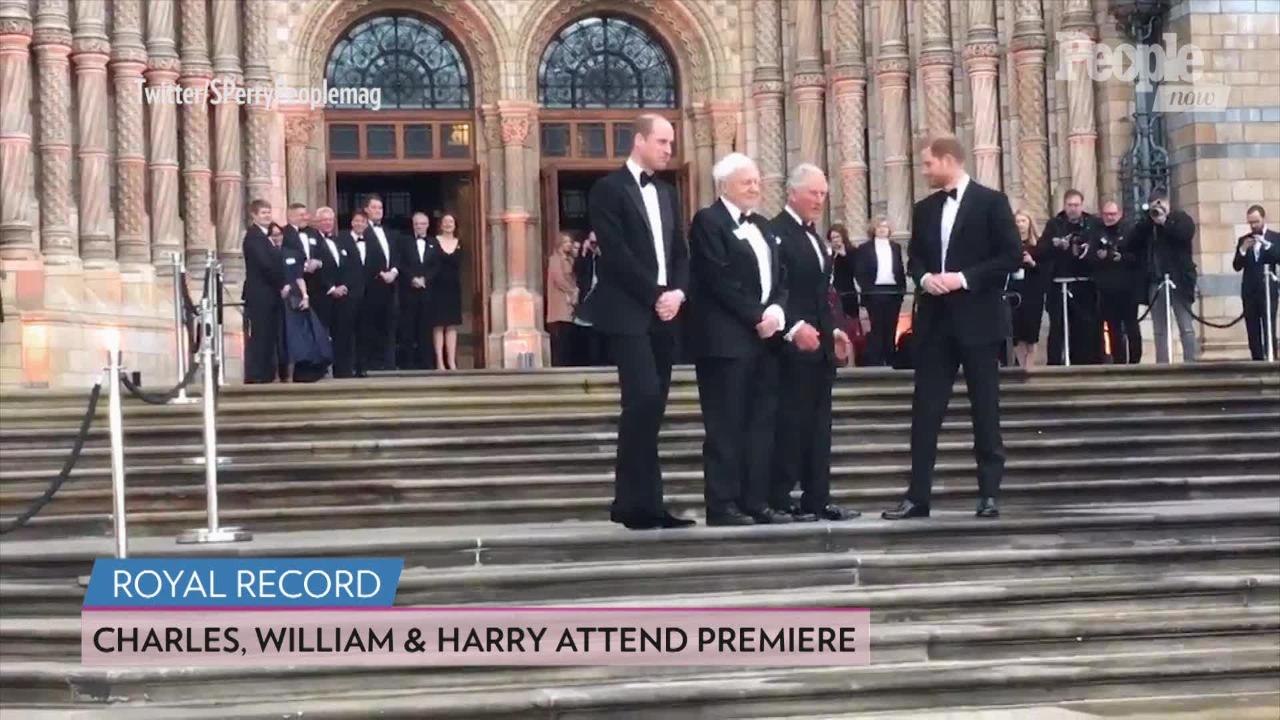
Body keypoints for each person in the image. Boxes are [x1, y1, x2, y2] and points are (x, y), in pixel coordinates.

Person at [882, 136, 1020, 521]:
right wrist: (924, 278)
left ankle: (989, 494)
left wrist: (963, 278)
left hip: (978, 321)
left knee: (985, 411)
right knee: (925, 411)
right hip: (934, 324)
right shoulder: (924, 209)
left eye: (928, 164)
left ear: (947, 160)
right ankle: (917, 496)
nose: (924, 171)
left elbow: (1009, 256)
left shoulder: (992, 202)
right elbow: (916, 259)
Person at [583, 113, 693, 531]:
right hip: (630, 311)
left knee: (654, 407)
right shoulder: (608, 190)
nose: (669, 150)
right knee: (642, 399)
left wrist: (678, 293)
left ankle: (646, 504)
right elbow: (616, 253)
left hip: (666, 313)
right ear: (640, 141)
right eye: (663, 142)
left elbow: (679, 252)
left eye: (671, 143)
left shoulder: (667, 192)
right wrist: (656, 294)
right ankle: (632, 501)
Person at [686, 153, 789, 527]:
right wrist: (756, 316)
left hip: (764, 340)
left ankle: (755, 499)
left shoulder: (762, 224)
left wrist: (776, 312)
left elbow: (779, 276)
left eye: (757, 181)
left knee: (760, 423)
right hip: (725, 342)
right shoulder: (707, 222)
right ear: (724, 185)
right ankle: (722, 503)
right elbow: (717, 279)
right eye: (747, 181)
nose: (755, 187)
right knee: (726, 424)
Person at [768, 163, 858, 522]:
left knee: (821, 427)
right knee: (790, 424)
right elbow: (777, 290)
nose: (820, 200)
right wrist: (792, 328)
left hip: (820, 347)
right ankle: (779, 496)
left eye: (823, 193)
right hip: (792, 347)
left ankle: (817, 497)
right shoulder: (775, 233)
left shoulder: (816, 237)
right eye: (813, 193)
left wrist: (834, 330)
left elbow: (822, 293)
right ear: (792, 193)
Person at [1131, 191, 1199, 363]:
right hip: (1156, 280)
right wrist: (1149, 220)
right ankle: (1162, 364)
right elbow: (1131, 242)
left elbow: (1184, 235)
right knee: (1159, 329)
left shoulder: (1181, 218)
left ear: (1168, 204)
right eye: (1154, 205)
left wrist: (1165, 222)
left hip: (1179, 281)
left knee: (1186, 326)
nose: (1158, 209)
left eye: (1160, 204)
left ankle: (1191, 363)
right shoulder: (1148, 225)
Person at [1038, 189, 1101, 365]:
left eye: (1076, 205)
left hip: (1085, 285)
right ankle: (1056, 366)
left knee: (1085, 329)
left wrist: (1089, 247)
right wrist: (1055, 244)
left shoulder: (1093, 223)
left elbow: (1100, 246)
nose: (1073, 209)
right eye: (1070, 205)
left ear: (1082, 205)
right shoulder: (1054, 224)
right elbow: (1041, 251)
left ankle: (1085, 366)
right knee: (1058, 328)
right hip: (1059, 284)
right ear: (1064, 206)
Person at [1085, 200, 1142, 364]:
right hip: (1106, 288)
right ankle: (1119, 361)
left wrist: (1121, 257)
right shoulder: (1097, 232)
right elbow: (1090, 257)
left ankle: (1135, 361)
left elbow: (1138, 257)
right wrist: (1099, 256)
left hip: (1127, 287)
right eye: (1106, 214)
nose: (1109, 217)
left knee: (1131, 326)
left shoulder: (1130, 231)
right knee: (1113, 328)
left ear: (1120, 214)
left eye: (1113, 214)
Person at [276, 223, 332, 383]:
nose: (277, 237)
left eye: (279, 234)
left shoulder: (291, 253)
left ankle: (303, 372)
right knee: (286, 338)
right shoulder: (271, 254)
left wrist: (305, 296)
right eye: (273, 235)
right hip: (281, 299)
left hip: (296, 297)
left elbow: (299, 276)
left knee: (304, 336)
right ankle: (283, 374)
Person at [241, 199, 288, 384]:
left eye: (269, 212)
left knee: (269, 335)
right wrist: (281, 285)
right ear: (254, 215)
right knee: (260, 335)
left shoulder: (264, 237)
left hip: (270, 295)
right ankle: (257, 375)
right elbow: (266, 265)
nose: (267, 215)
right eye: (263, 213)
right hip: (261, 295)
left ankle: (267, 373)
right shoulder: (253, 237)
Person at [312, 207, 362, 378]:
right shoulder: (313, 242)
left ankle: (343, 370)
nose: (327, 223)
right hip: (323, 296)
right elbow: (316, 269)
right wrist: (331, 288)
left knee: (343, 335)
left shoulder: (340, 241)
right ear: (317, 221)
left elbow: (349, 266)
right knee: (322, 334)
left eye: (330, 220)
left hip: (343, 297)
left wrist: (344, 286)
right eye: (324, 220)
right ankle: (323, 370)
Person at [854, 216, 906, 367]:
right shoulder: (865, 248)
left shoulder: (895, 247)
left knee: (891, 325)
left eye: (885, 226)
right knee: (877, 326)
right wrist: (866, 288)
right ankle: (876, 359)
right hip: (874, 290)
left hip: (893, 291)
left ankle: (890, 357)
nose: (883, 229)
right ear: (874, 229)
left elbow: (899, 268)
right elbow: (860, 270)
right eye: (879, 226)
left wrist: (901, 290)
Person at [359, 194, 400, 372]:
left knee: (389, 325)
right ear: (366, 210)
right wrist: (380, 273)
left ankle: (389, 363)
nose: (378, 211)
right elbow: (361, 258)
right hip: (371, 285)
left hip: (390, 286)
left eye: (380, 208)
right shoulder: (362, 231)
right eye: (374, 207)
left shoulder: (389, 233)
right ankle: (371, 363)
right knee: (370, 325)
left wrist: (393, 272)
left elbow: (397, 255)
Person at [1235, 205, 1280, 360]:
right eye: (1251, 223)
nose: (1254, 226)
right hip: (1249, 292)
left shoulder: (1275, 238)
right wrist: (1242, 250)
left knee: (1269, 325)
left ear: (1263, 219)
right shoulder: (1244, 240)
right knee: (1252, 329)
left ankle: (1272, 358)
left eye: (1256, 222)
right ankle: (1256, 360)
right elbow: (1236, 266)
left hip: (1268, 290)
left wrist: (1266, 245)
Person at [399, 212, 438, 370]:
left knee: (426, 329)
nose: (419, 227)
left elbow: (437, 265)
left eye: (422, 224)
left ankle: (426, 364)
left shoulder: (434, 243)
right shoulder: (405, 242)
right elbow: (400, 263)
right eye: (416, 224)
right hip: (409, 291)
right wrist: (412, 279)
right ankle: (407, 364)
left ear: (428, 225)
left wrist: (425, 279)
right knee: (407, 329)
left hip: (427, 292)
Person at [1008, 210, 1046, 369]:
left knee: (1031, 332)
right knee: (1017, 332)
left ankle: (1029, 367)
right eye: (1017, 221)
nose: (1020, 225)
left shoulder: (1039, 245)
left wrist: (1032, 262)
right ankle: (1021, 365)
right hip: (1015, 290)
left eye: (1023, 221)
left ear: (1029, 223)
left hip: (1032, 291)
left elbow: (1045, 270)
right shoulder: (1009, 244)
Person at [428, 212, 464, 371]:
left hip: (453, 288)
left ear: (455, 225)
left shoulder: (460, 243)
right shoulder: (434, 242)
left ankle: (451, 361)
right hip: (437, 287)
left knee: (451, 326)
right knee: (438, 325)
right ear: (440, 224)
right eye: (445, 221)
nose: (448, 224)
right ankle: (440, 362)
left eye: (451, 221)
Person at [572, 232, 607, 366]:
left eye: (596, 243)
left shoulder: (604, 256)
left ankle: (603, 360)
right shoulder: (587, 256)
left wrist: (601, 252)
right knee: (587, 331)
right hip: (587, 296)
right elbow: (577, 270)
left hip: (602, 297)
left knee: (601, 331)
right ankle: (591, 361)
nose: (594, 246)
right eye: (592, 243)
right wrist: (583, 252)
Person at [546, 231, 579, 367]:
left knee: (568, 336)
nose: (569, 245)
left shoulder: (570, 259)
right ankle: (560, 364)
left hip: (569, 304)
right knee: (560, 338)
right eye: (566, 242)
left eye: (570, 242)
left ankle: (567, 363)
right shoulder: (554, 260)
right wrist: (572, 290)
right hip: (559, 303)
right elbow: (558, 279)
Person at [828, 224, 860, 322]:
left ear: (843, 237)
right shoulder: (829, 254)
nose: (835, 240)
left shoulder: (852, 251)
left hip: (848, 292)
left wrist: (844, 255)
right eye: (832, 238)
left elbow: (856, 270)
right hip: (833, 293)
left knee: (851, 322)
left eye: (837, 237)